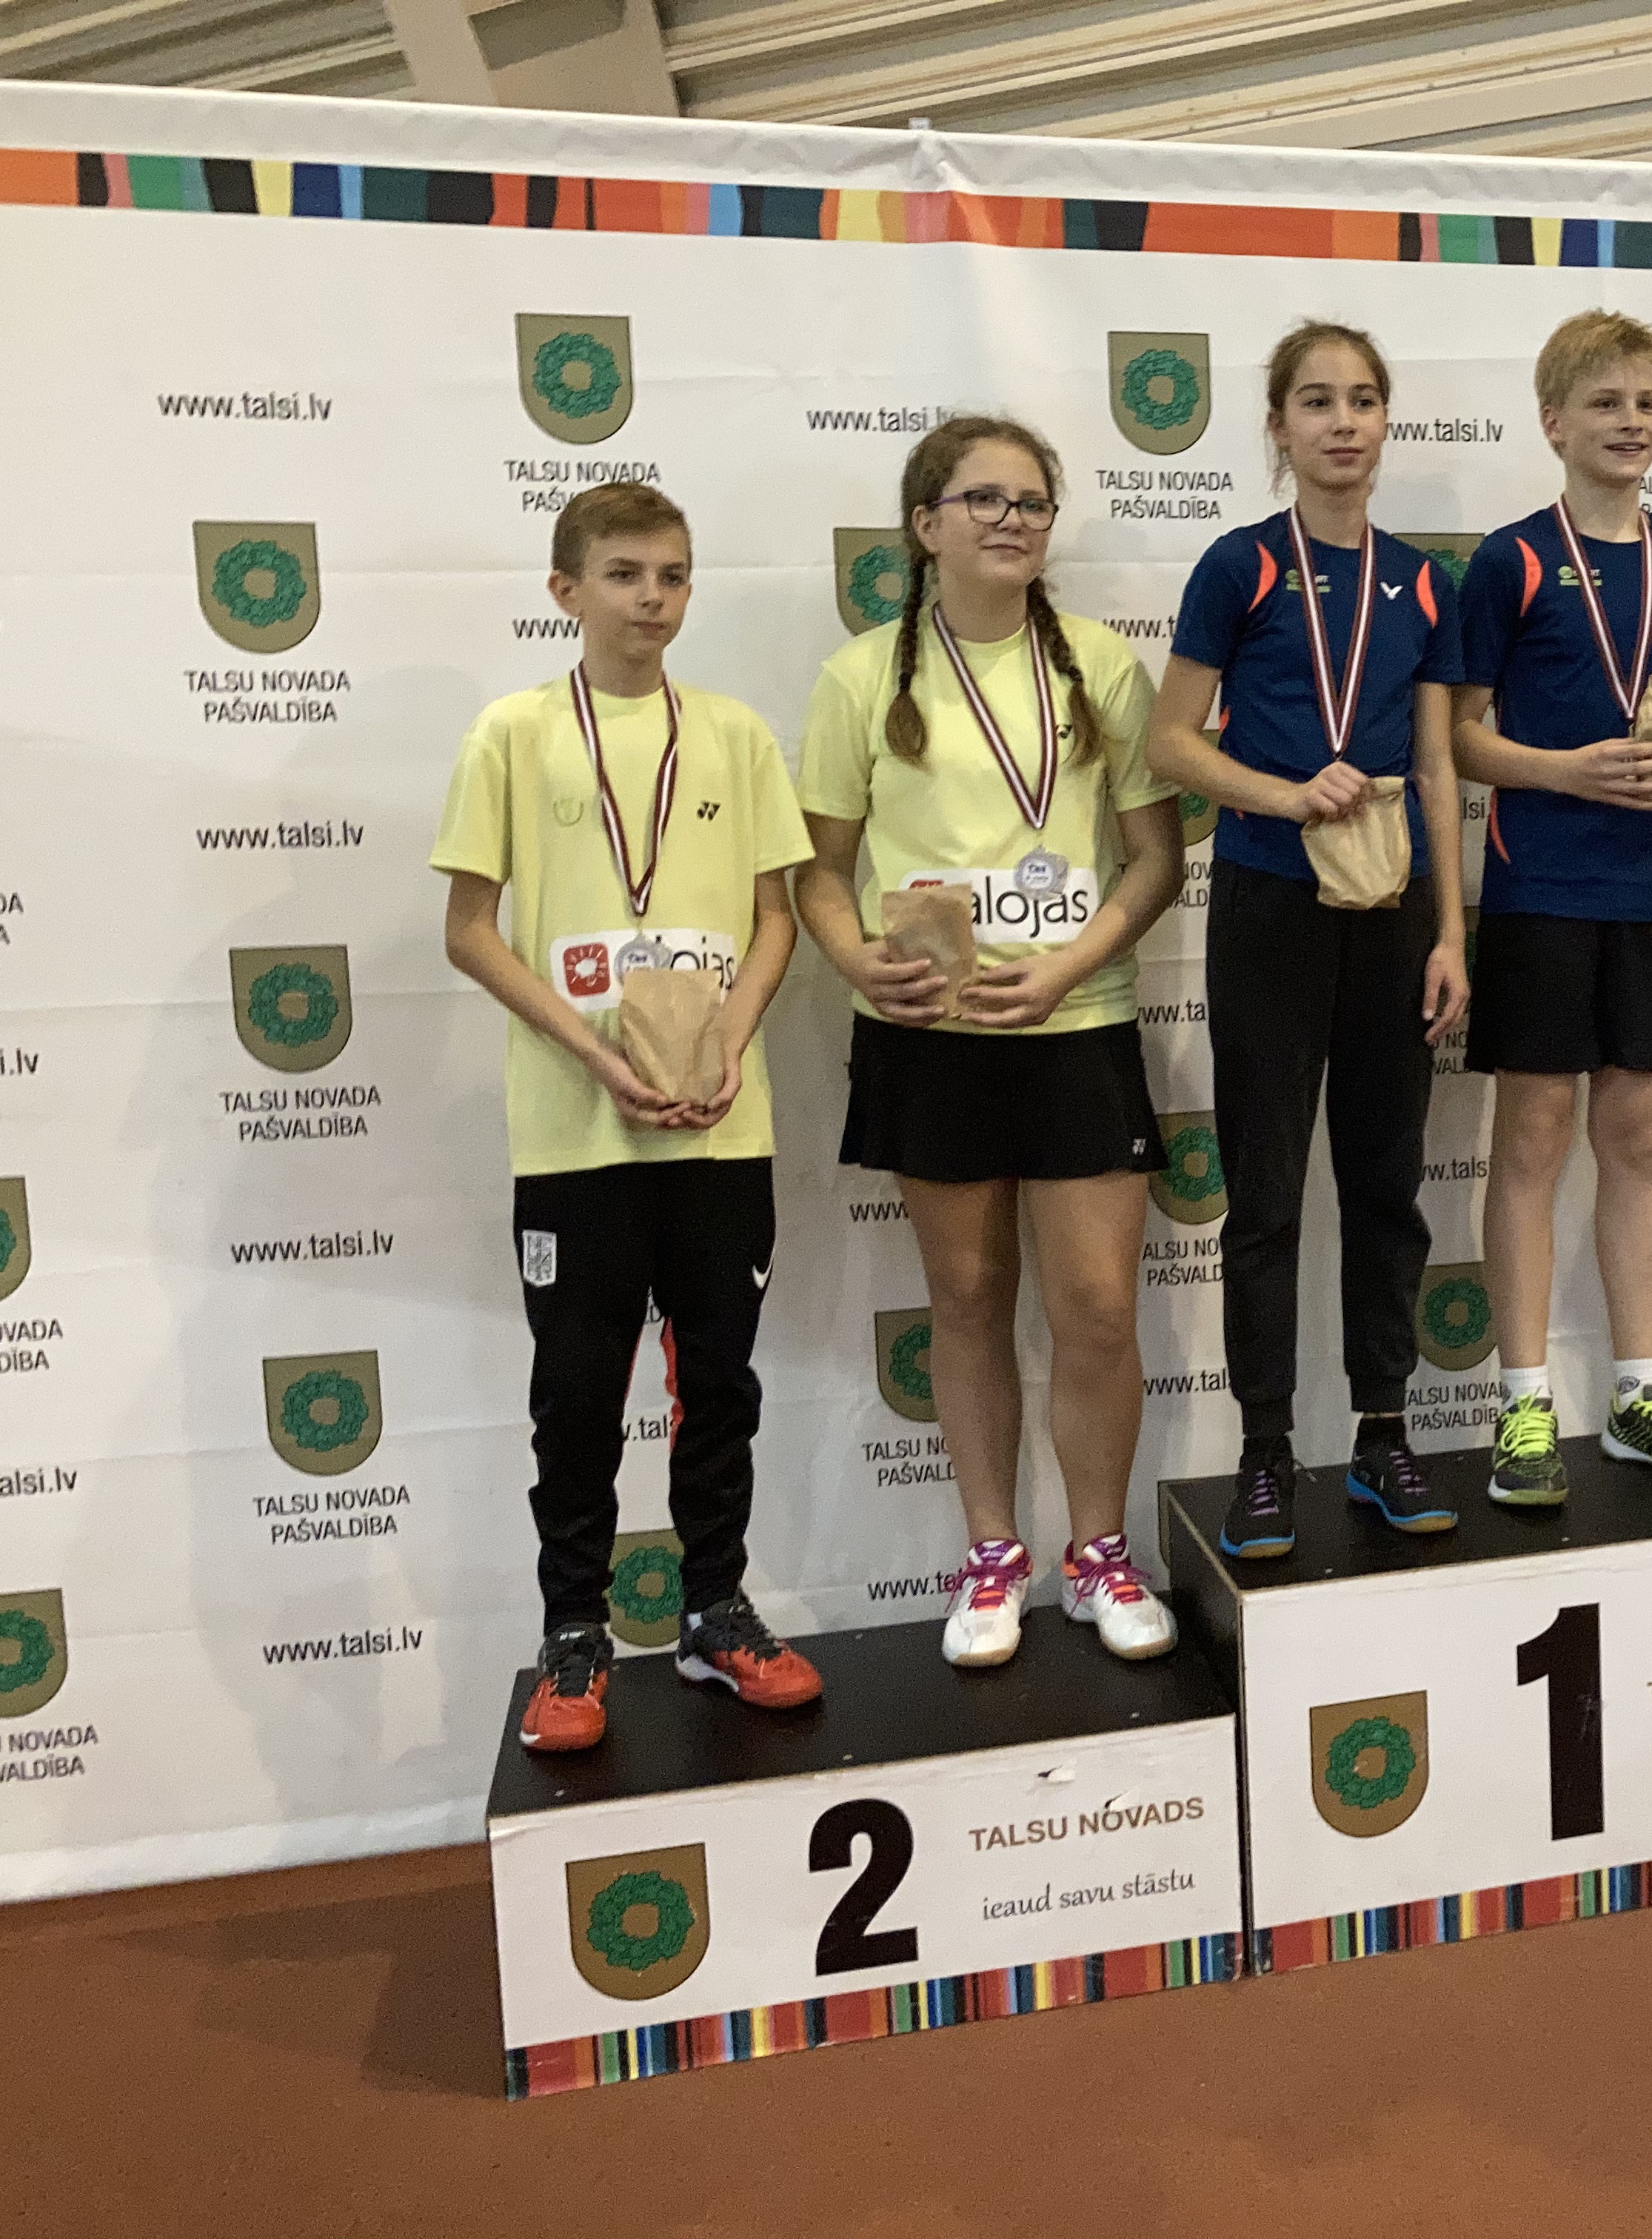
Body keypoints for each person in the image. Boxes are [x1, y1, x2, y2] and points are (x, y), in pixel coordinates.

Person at [434, 480, 824, 1755]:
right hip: (576, 1136)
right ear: (566, 590)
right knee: (577, 1396)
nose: (652, 599)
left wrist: (728, 1041)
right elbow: (469, 931)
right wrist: (596, 1055)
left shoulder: (735, 735)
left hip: (719, 1125)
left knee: (719, 1386)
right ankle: (574, 1636)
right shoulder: (513, 733)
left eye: (672, 575)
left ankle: (715, 1611)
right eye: (623, 575)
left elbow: (775, 919)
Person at [794, 416, 1186, 1669]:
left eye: (1032, 502)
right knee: (965, 1300)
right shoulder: (861, 677)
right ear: (926, 526)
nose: (1012, 520)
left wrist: (1068, 966)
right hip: (930, 1033)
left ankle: (1099, 1552)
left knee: (1098, 1308)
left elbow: (1157, 859)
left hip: (1078, 1021)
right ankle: (992, 1554)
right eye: (984, 500)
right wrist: (859, 962)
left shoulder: (1102, 666)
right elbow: (819, 871)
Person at [1150, 321, 1471, 1559]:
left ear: (1387, 422)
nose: (1344, 422)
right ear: (1279, 427)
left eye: (1364, 400)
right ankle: (1266, 1451)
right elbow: (1172, 743)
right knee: (1267, 1193)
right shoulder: (1238, 566)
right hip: (1271, 903)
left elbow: (1436, 764)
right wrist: (1286, 796)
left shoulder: (1425, 581)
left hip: (1394, 909)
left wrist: (1451, 932)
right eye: (1318, 402)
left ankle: (1385, 1434)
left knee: (1386, 1185)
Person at [1451, 309, 1652, 1507]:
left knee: (1638, 1142)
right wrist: (1568, 770)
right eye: (1607, 403)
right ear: (1554, 423)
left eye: (1648, 404)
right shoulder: (1512, 560)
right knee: (1530, 1144)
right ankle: (1523, 1404)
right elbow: (1461, 738)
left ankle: (1639, 1392)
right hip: (1539, 887)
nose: (1633, 423)